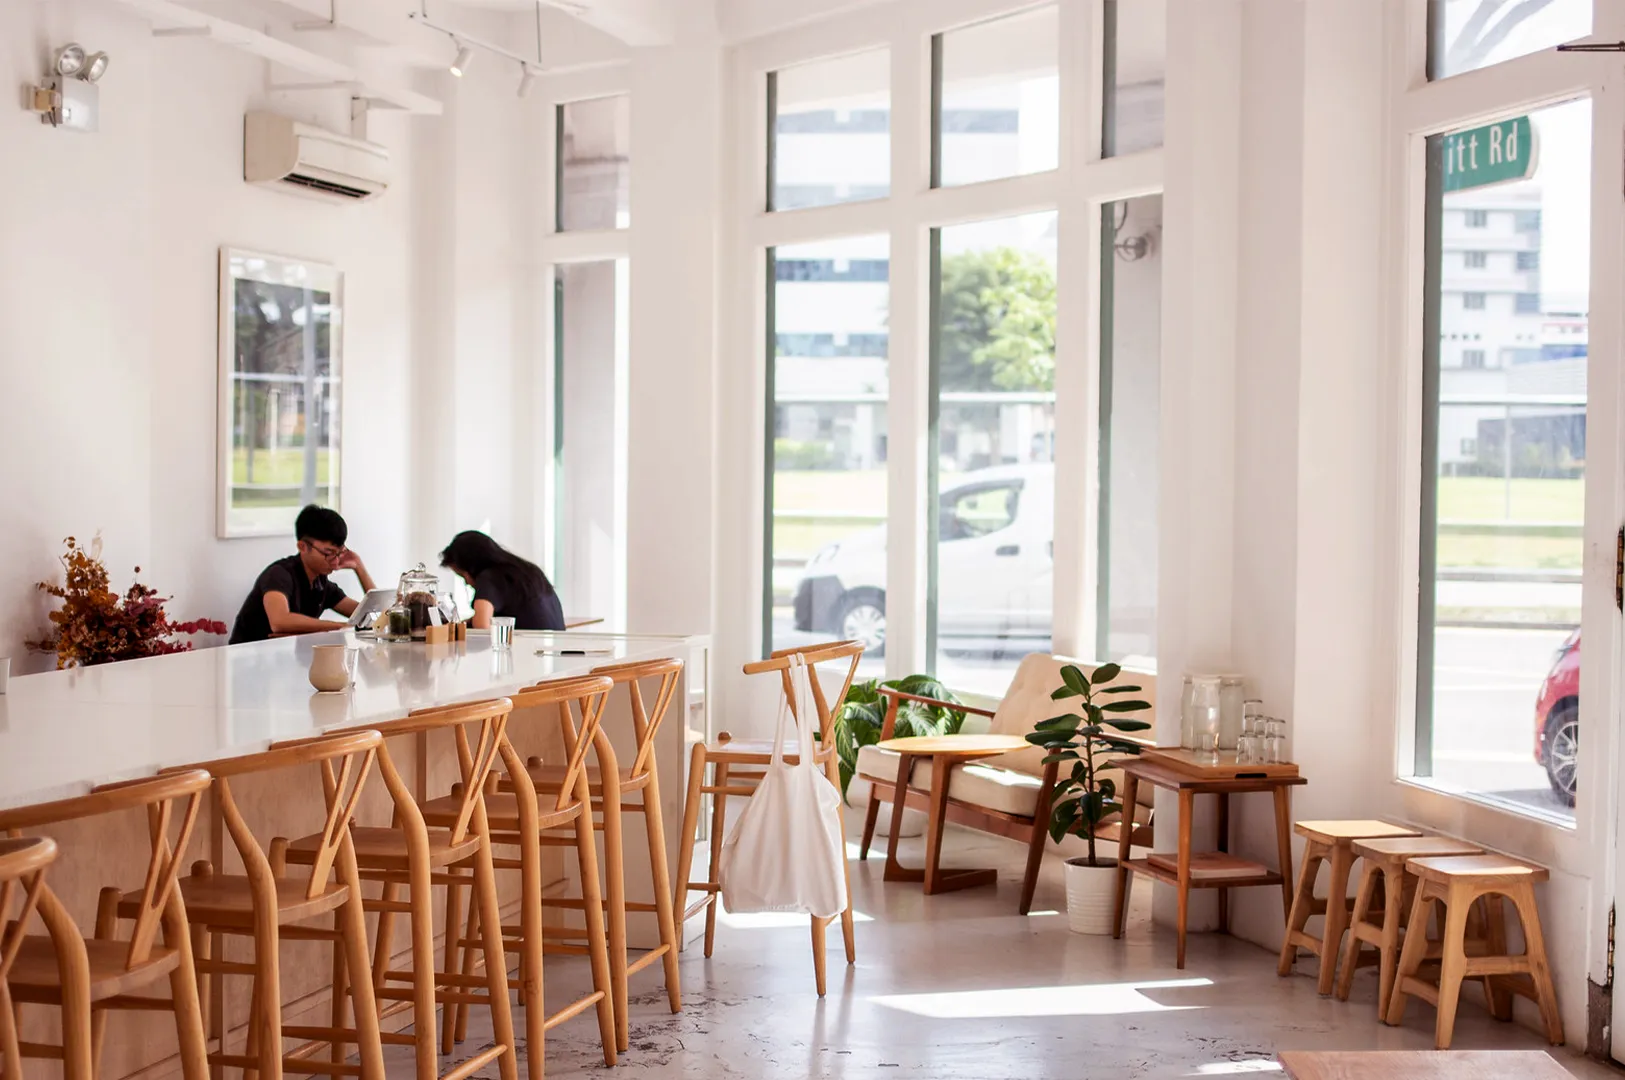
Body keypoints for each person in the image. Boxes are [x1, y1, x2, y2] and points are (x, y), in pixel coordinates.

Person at [228, 505, 376, 644]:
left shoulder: (321, 584)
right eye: (329, 553)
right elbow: (279, 621)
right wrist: (339, 627)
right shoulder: (279, 574)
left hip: (283, 656)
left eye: (340, 553)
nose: (336, 561)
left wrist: (359, 567)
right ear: (302, 547)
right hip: (249, 656)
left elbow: (375, 616)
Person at [439, 530, 564, 631]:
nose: (466, 583)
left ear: (472, 566)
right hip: (554, 649)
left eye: (463, 575)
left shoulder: (489, 578)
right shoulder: (527, 570)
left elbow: (481, 627)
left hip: (527, 651)